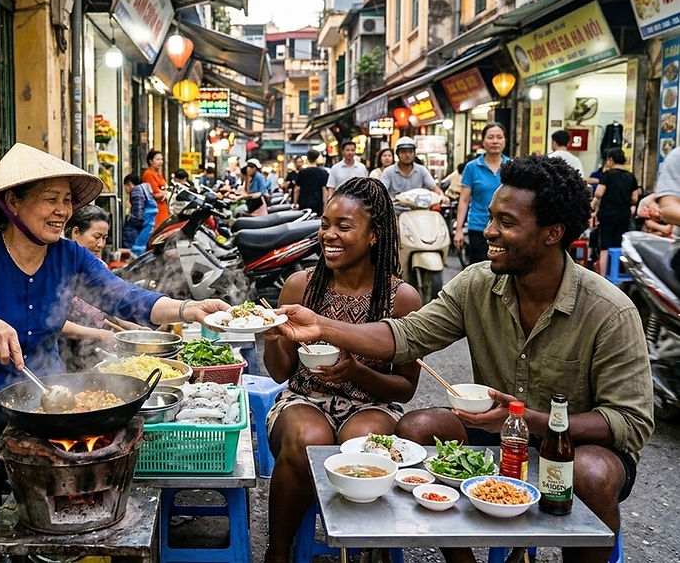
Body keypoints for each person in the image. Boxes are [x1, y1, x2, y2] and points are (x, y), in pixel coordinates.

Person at [274, 155, 654, 563]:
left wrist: (526, 419)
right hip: (493, 430)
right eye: (490, 218)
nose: (489, 231)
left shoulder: (609, 310)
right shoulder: (478, 283)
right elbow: (406, 335)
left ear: (552, 233)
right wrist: (322, 326)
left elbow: (628, 423)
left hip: (570, 442)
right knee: (415, 428)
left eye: (506, 223)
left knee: (591, 474)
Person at [0, 143, 229, 521]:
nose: (63, 210)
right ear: (13, 202)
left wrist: (188, 309)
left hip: (40, 387)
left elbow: (123, 297)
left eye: (66, 200)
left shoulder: (69, 256)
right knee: (0, 430)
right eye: (51, 199)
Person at [262, 177, 422, 562]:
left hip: (372, 405)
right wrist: (270, 336)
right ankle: (278, 553)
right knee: (308, 438)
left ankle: (372, 550)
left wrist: (356, 373)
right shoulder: (300, 285)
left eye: (344, 227)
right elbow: (280, 373)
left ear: (373, 235)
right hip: (302, 400)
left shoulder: (401, 298)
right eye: (325, 225)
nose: (329, 235)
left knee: (364, 444)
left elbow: (404, 389)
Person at [61, 205, 141, 372]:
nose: (101, 244)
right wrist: (101, 335)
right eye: (96, 237)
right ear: (75, 233)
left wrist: (132, 328)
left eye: (104, 238)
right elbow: (55, 324)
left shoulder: (100, 267)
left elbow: (106, 307)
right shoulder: (58, 268)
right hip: (67, 355)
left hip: (97, 350)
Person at [455, 123, 509, 264]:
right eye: (490, 137)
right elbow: (464, 200)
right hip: (478, 227)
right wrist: (459, 229)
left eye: (499, 137)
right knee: (480, 270)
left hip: (506, 228)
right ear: (483, 141)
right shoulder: (471, 167)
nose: (495, 141)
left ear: (505, 141)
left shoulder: (512, 166)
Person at [590, 148, 638, 276]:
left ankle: (604, 277)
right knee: (619, 244)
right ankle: (619, 273)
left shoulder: (608, 175)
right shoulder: (630, 176)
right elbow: (634, 198)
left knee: (605, 246)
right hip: (624, 216)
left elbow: (599, 193)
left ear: (611, 160)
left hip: (607, 215)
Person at [379, 137, 446, 201]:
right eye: (404, 152)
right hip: (395, 209)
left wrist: (442, 196)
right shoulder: (388, 172)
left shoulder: (422, 170)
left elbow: (434, 188)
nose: (407, 155)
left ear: (414, 154)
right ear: (397, 154)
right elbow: (381, 192)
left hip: (418, 209)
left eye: (410, 152)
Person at [121, 173, 157, 256]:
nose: (125, 189)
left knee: (130, 236)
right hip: (149, 222)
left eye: (125, 186)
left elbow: (138, 212)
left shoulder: (136, 192)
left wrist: (132, 222)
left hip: (142, 222)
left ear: (129, 184)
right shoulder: (145, 190)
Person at [292, 149, 330, 215]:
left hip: (304, 204)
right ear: (317, 158)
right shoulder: (323, 173)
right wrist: (325, 206)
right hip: (318, 204)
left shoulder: (302, 172)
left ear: (307, 158)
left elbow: (297, 189)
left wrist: (295, 203)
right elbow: (324, 191)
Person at [142, 149, 168, 229]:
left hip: (162, 208)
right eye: (158, 159)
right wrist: (164, 193)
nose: (161, 162)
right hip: (155, 209)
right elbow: (155, 193)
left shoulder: (158, 174)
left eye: (161, 159)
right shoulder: (148, 174)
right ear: (150, 161)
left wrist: (164, 193)